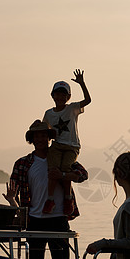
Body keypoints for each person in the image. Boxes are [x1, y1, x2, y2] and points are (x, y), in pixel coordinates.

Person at [9, 120, 88, 259]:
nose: (40, 139)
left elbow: (83, 175)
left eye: (44, 135)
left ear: (49, 138)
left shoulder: (61, 159)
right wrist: (12, 202)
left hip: (59, 219)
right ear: (32, 138)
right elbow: (13, 189)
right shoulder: (23, 163)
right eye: (37, 135)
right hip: (34, 221)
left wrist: (64, 174)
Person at [42, 68, 91, 215]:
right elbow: (46, 130)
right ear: (53, 96)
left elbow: (88, 100)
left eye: (63, 95)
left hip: (72, 146)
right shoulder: (49, 113)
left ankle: (68, 198)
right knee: (53, 171)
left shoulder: (72, 108)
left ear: (68, 97)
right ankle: (50, 199)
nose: (60, 97)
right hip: (56, 145)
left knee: (65, 170)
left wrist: (82, 84)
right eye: (57, 94)